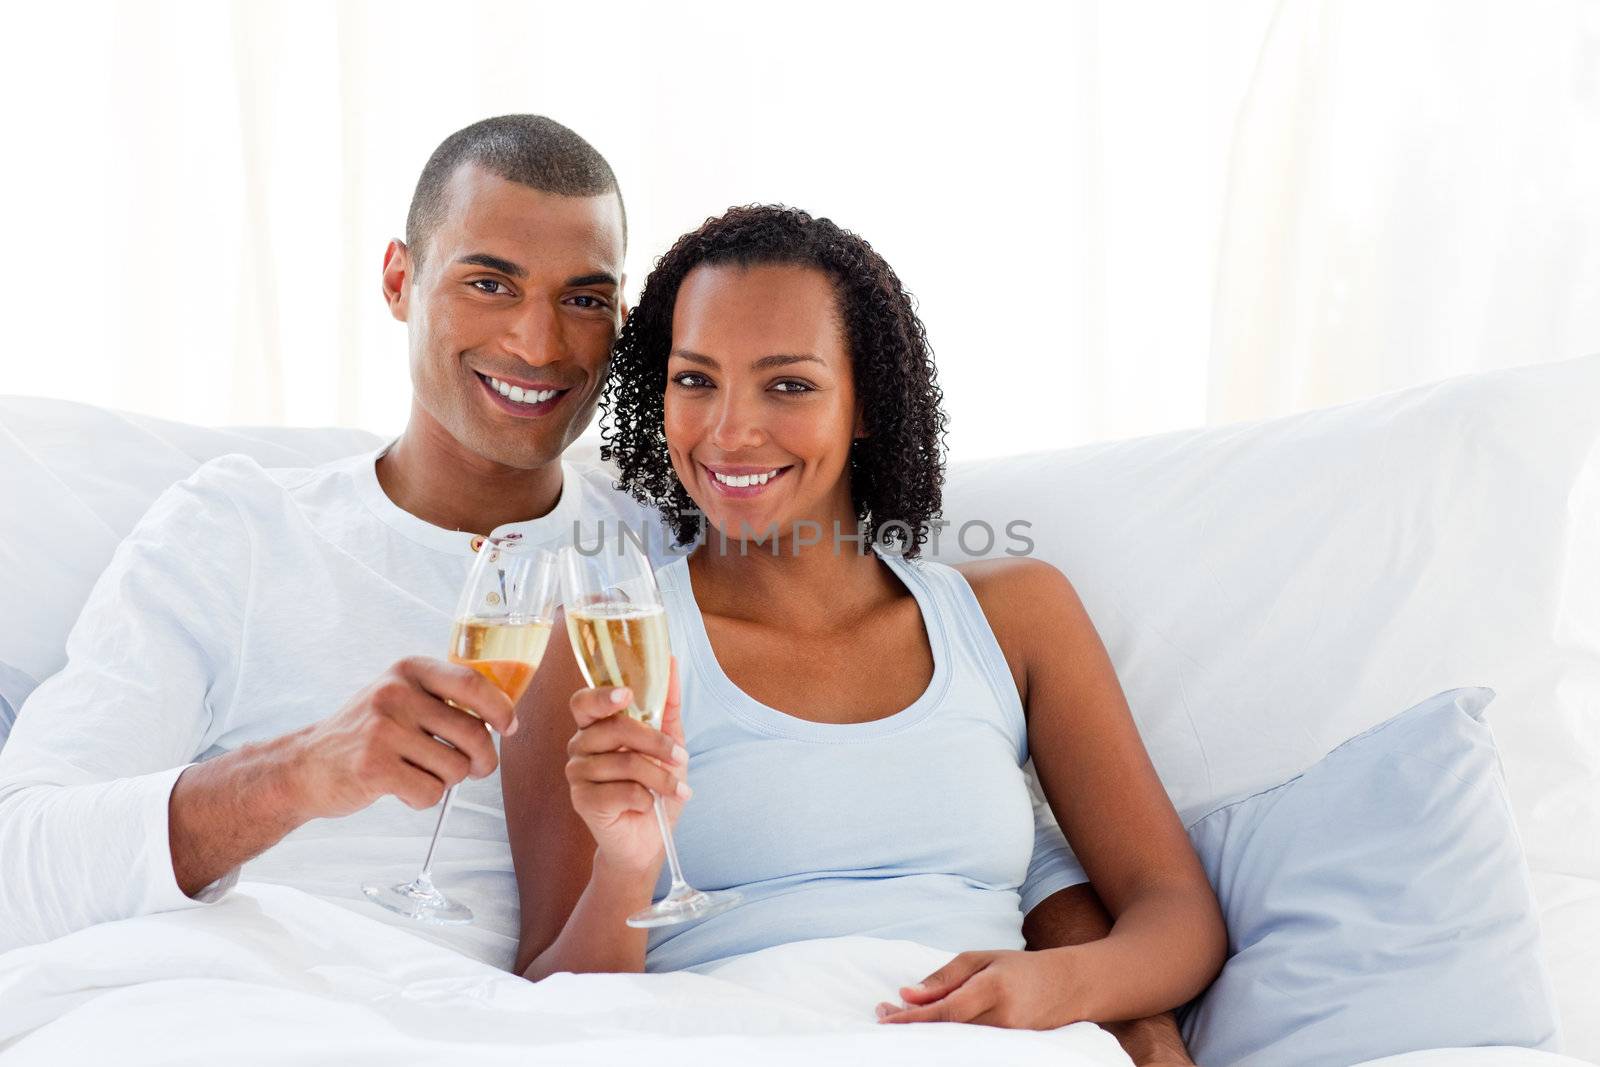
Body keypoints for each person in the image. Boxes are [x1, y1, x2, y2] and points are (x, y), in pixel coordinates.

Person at [503, 206, 1226, 1057]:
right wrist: (624, 870)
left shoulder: (1015, 616)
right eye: (695, 379)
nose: (731, 430)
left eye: (789, 384)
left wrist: (1054, 985)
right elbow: (546, 1003)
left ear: (866, 405)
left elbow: (1176, 913)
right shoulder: (601, 643)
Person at [0, 114, 662, 966]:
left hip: (517, 1026)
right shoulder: (237, 529)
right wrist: (301, 772)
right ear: (398, 280)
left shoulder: (654, 552)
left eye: (583, 299)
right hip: (247, 1001)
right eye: (490, 284)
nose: (538, 344)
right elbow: (16, 865)